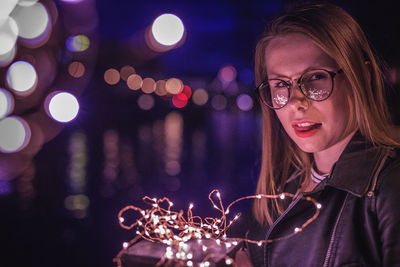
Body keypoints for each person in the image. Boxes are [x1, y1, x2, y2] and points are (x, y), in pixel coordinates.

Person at [234, 1, 400, 266]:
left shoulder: (389, 188)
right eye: (280, 84)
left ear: (362, 75)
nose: (296, 102)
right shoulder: (277, 193)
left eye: (315, 78)